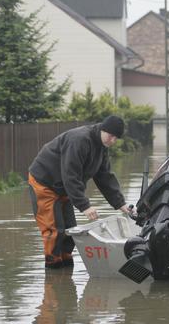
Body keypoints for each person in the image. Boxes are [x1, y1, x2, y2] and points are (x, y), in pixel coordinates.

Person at [27, 115, 133, 268]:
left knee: (70, 231)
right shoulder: (79, 140)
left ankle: (67, 270)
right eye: (111, 136)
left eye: (116, 138)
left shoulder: (102, 147)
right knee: (54, 231)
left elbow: (105, 177)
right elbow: (71, 174)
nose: (112, 141)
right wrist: (84, 206)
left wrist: (120, 204)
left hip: (64, 187)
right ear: (103, 129)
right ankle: (53, 271)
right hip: (45, 183)